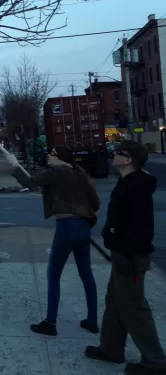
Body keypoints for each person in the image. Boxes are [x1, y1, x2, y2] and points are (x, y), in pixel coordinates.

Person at [85, 141, 166, 375]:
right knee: (114, 302)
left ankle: (155, 361)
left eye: (119, 152)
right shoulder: (128, 182)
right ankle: (111, 349)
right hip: (122, 252)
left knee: (134, 308)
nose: (113, 154)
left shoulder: (136, 186)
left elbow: (140, 227)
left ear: (128, 160)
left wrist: (129, 255)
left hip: (130, 255)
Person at [13, 146, 100, 336]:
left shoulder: (56, 171)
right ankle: (92, 320)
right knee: (86, 273)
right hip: (84, 227)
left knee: (53, 273)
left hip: (67, 226)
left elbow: (29, 182)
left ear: (59, 158)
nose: (48, 156)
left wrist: (15, 166)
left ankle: (50, 323)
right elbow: (94, 202)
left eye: (51, 154)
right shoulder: (78, 174)